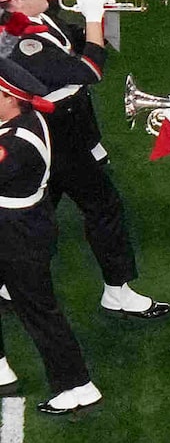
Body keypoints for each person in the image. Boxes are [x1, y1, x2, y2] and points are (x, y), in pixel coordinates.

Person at [0, 0, 164, 318]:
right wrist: (93, 17)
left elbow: (71, 40)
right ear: (14, 1)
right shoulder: (22, 43)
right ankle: (117, 291)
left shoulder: (32, 20)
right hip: (60, 134)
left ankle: (9, 279)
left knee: (40, 202)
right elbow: (88, 69)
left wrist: (103, 14)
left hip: (62, 126)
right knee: (103, 206)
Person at [0, 56, 98, 417]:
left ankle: (78, 385)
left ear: (11, 99)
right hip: (22, 225)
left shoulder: (16, 142)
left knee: (39, 312)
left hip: (17, 233)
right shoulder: (25, 119)